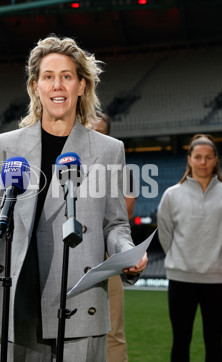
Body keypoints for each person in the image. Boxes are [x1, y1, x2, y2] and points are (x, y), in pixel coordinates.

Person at [0, 35, 148, 362]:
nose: (58, 85)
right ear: (35, 86)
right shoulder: (2, 147)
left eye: (67, 76)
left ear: (82, 86)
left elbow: (115, 225)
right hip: (17, 305)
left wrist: (127, 252)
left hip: (80, 302)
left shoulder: (108, 150)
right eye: (48, 76)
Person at [157, 134, 222, 362]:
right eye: (198, 157)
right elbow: (165, 235)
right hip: (181, 278)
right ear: (189, 159)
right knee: (181, 340)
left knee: (214, 341)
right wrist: (181, 259)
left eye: (208, 157)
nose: (203, 162)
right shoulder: (171, 195)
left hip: (216, 279)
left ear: (216, 160)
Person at [89, 110, 133, 362]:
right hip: (71, 257)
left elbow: (122, 214)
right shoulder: (66, 166)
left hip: (107, 256)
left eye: (100, 132)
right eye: (89, 130)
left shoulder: (126, 172)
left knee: (112, 330)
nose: (94, 136)